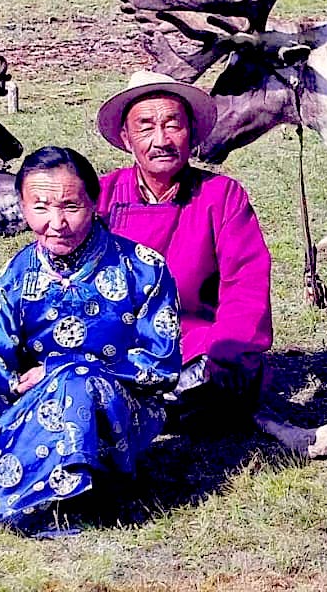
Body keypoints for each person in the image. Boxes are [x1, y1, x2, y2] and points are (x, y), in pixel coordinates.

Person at [0, 147, 181, 532]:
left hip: (124, 412)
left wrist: (64, 369)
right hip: (39, 410)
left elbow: (161, 367)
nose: (56, 222)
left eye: (71, 206)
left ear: (94, 202)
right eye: (39, 208)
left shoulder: (143, 267)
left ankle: (82, 497)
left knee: (78, 383)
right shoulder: (14, 277)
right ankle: (55, 497)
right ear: (22, 208)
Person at [95, 70, 272, 427]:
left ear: (190, 133)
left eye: (172, 124)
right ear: (127, 138)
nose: (161, 140)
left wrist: (225, 352)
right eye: (146, 127)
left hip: (196, 347)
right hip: (117, 347)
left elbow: (246, 285)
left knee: (225, 383)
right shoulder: (102, 196)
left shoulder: (222, 196)